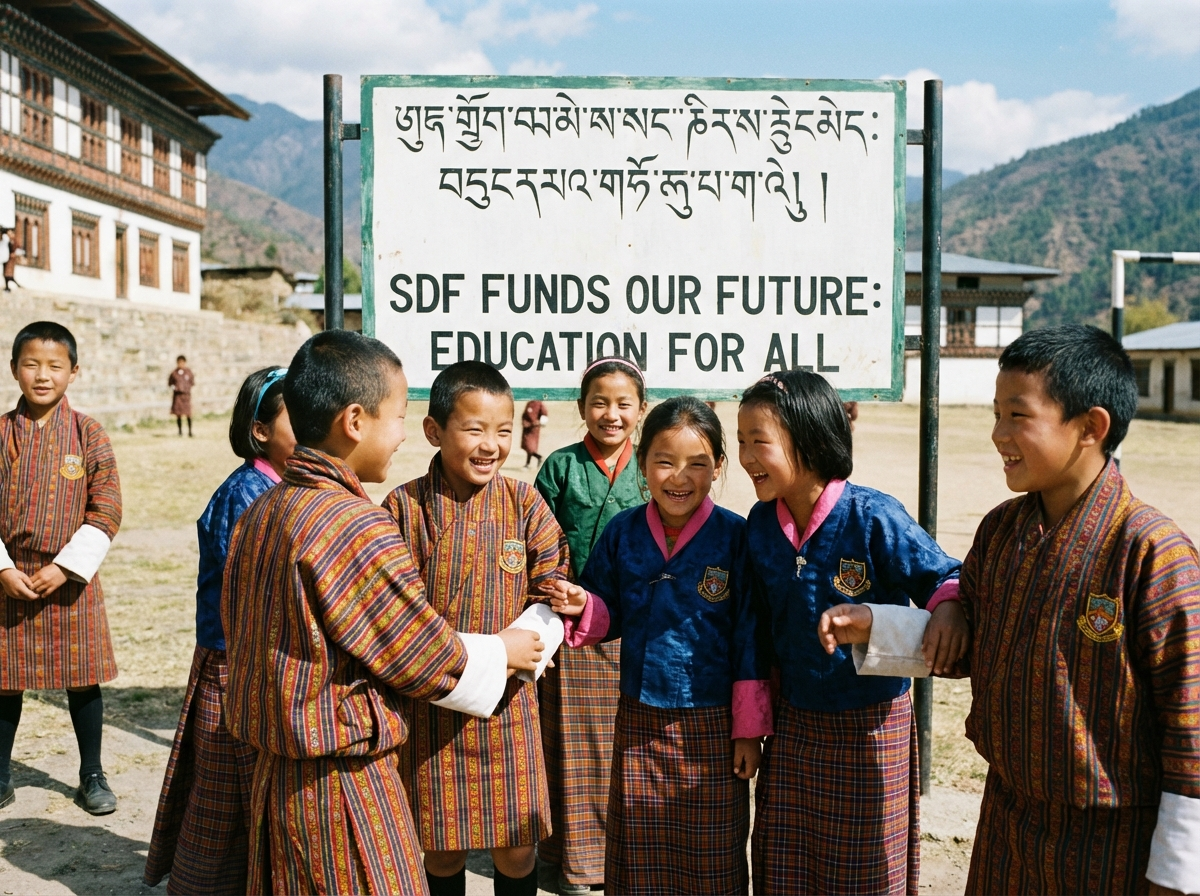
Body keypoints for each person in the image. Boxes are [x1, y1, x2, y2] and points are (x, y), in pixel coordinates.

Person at [821, 325, 1200, 896]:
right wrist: (881, 626)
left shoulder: (1152, 553)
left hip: (1112, 839)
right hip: (1008, 819)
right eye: (996, 414)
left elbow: (1190, 724)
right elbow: (979, 641)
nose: (998, 434)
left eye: (1018, 416)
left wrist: (1175, 872)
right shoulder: (1002, 531)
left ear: (1090, 428)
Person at [221, 331, 546, 895]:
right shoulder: (355, 521)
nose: (400, 435)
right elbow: (420, 656)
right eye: (397, 417)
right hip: (340, 780)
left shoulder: (263, 511)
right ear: (354, 421)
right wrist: (506, 650)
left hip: (278, 774)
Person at [737, 369, 966, 896]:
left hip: (872, 727)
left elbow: (943, 575)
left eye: (761, 442)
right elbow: (752, 628)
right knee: (787, 863)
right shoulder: (759, 525)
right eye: (742, 441)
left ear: (810, 441)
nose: (748, 457)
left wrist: (949, 607)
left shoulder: (872, 515)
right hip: (794, 726)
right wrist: (751, 724)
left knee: (865, 868)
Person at [547, 397, 771, 896]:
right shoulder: (623, 533)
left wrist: (747, 731)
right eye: (665, 461)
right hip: (639, 718)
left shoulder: (736, 537)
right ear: (643, 462)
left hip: (712, 725)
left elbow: (750, 635)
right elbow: (608, 610)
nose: (679, 477)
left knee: (711, 851)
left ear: (718, 467)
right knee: (641, 849)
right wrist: (583, 601)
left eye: (697, 464)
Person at [382, 360, 570, 896]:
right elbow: (397, 612)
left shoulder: (522, 503)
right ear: (434, 430)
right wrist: (475, 657)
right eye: (475, 429)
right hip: (434, 704)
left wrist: (544, 630)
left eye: (504, 431)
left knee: (517, 845)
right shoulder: (403, 507)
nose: (491, 445)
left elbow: (551, 583)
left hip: (510, 705)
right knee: (439, 847)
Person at [144, 366, 296, 894]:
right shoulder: (245, 494)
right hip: (236, 663)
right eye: (297, 419)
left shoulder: (283, 486)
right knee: (227, 786)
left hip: (262, 660)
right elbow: (252, 588)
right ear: (260, 431)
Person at [535, 357, 647, 895]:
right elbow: (540, 539)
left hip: (634, 627)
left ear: (641, 410)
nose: (611, 414)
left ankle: (621, 858)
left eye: (624, 403)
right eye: (599, 402)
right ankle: (575, 863)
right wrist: (561, 592)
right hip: (574, 627)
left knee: (622, 746)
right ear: (581, 408)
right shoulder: (559, 466)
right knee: (574, 750)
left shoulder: (652, 467)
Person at [0, 321, 122, 815]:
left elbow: (107, 507)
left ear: (74, 372)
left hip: (71, 580)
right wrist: (3, 570)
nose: (42, 376)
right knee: (5, 679)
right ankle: (1, 772)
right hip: (9, 577)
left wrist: (66, 567)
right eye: (31, 364)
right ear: (14, 370)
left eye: (54, 366)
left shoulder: (87, 432)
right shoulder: (1, 432)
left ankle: (92, 772)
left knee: (81, 677)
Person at [169, 356, 194, 437]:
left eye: (182, 362)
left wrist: (186, 388)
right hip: (178, 396)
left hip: (186, 396)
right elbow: (170, 383)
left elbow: (192, 382)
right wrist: (175, 388)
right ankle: (180, 432)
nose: (181, 364)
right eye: (179, 362)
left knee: (188, 414)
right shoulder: (174, 373)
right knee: (178, 414)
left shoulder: (188, 372)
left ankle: (190, 432)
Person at [521, 398, 547, 468]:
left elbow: (544, 414)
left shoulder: (539, 404)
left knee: (530, 447)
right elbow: (525, 414)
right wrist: (524, 422)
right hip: (527, 427)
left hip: (533, 429)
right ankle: (528, 463)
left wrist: (538, 423)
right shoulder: (529, 403)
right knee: (526, 446)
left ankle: (539, 457)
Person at [1, 227, 21, 292]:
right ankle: (7, 287)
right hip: (6, 258)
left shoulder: (14, 240)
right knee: (5, 274)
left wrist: (14, 254)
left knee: (9, 274)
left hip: (11, 259)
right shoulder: (7, 239)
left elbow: (18, 249)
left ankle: (14, 286)